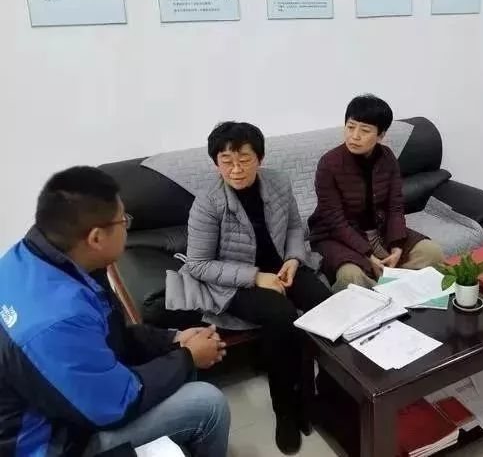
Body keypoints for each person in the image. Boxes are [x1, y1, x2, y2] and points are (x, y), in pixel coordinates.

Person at [0, 167, 230, 457]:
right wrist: (187, 357)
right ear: (96, 238)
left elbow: (109, 335)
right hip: (48, 443)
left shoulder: (32, 259)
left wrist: (173, 339)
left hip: (65, 403)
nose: (127, 228)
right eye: (124, 221)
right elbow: (114, 406)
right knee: (208, 404)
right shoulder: (56, 320)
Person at [174, 122, 331, 455]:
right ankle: (285, 410)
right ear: (216, 163)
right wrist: (256, 277)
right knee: (281, 316)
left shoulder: (278, 182)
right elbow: (198, 265)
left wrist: (293, 258)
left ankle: (318, 394)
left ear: (259, 158)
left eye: (244, 159)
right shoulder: (207, 203)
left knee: (325, 303)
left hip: (282, 268)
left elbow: (294, 226)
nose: (235, 169)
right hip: (232, 282)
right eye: (226, 161)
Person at [308, 94, 444, 291]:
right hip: (335, 236)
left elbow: (395, 206)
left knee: (432, 253)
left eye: (364, 130)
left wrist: (397, 245)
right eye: (350, 127)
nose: (354, 136)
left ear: (380, 135)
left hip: (380, 230)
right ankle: (389, 292)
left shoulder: (387, 158)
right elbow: (335, 221)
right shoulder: (329, 164)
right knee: (351, 276)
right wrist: (368, 255)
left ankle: (395, 290)